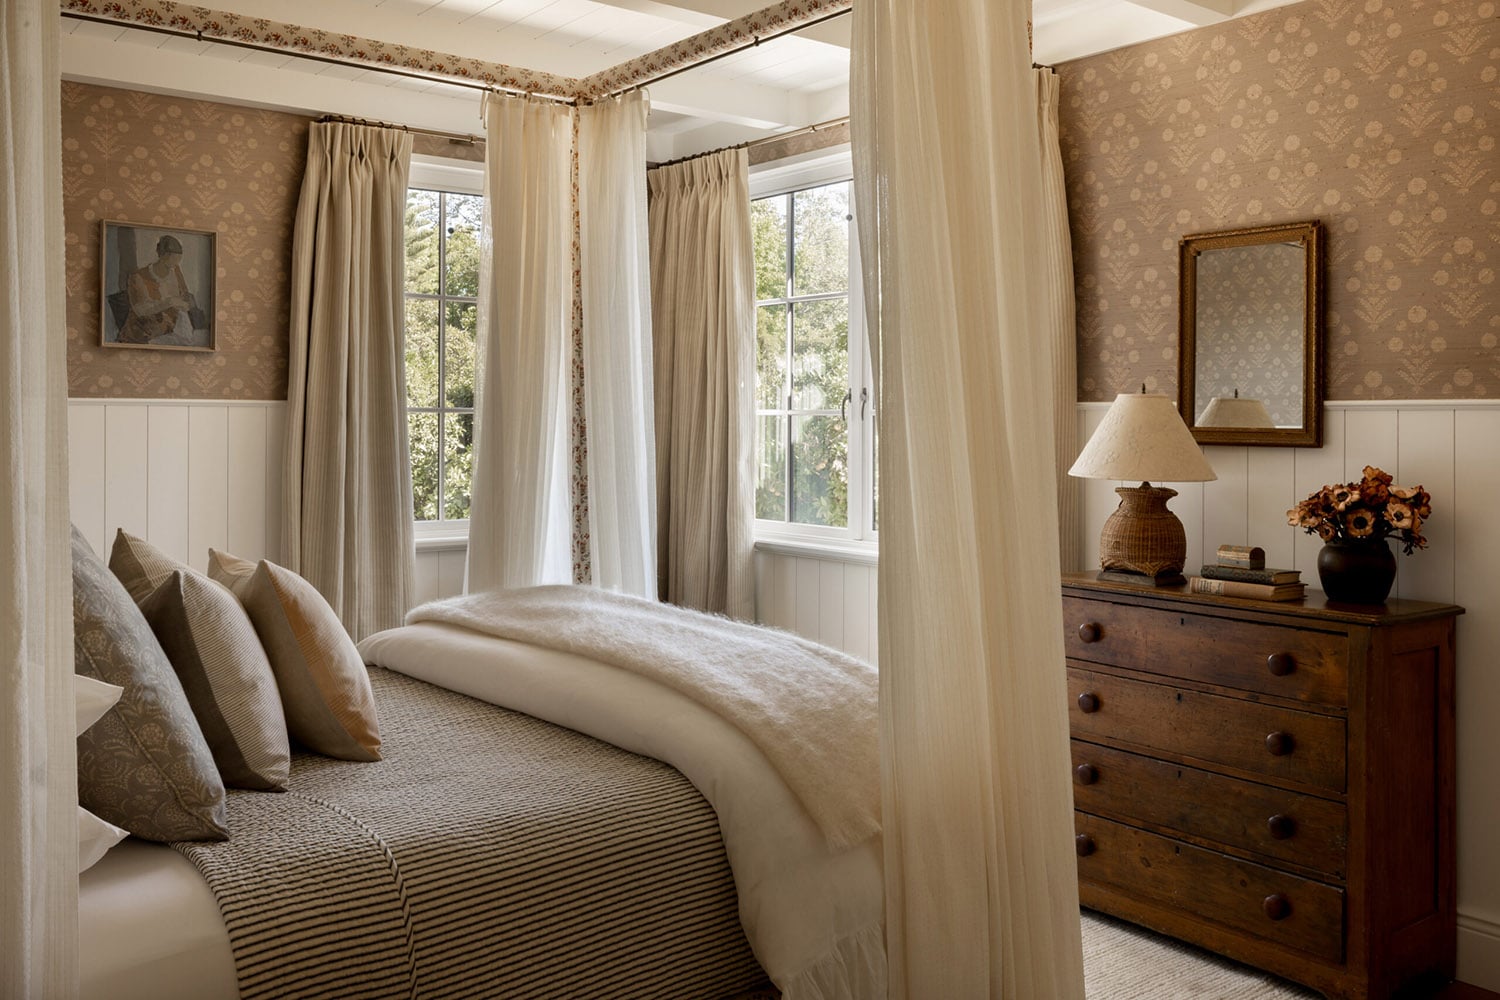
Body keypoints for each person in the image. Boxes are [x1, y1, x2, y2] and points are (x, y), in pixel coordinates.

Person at [117, 234, 201, 346]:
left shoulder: (175, 270)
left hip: (169, 332)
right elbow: (140, 310)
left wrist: (186, 303)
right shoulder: (138, 277)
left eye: (178, 258)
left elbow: (184, 295)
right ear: (162, 255)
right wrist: (169, 302)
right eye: (173, 257)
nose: (176, 262)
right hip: (143, 335)